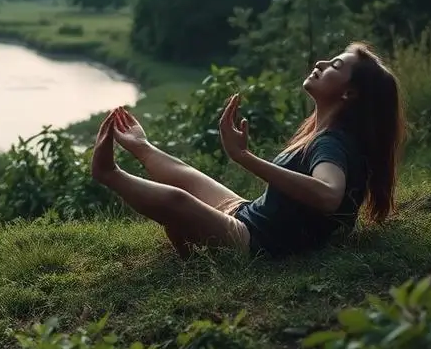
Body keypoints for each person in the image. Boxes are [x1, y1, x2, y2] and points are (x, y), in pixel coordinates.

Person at [89, 42, 406, 259]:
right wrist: (143, 148)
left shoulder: (331, 143)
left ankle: (109, 174)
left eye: (335, 65)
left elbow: (328, 195)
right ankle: (142, 148)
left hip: (253, 240)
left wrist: (244, 157)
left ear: (349, 93)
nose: (320, 64)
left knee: (177, 200)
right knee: (188, 176)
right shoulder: (325, 135)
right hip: (249, 214)